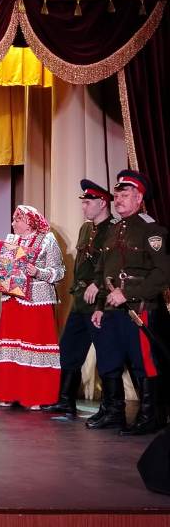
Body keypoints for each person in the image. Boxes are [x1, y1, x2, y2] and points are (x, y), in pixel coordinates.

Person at [89, 170, 170, 434]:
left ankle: (150, 417)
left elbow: (163, 274)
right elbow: (104, 272)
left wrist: (129, 293)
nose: (119, 200)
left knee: (143, 364)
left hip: (139, 310)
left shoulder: (152, 230)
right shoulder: (113, 230)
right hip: (111, 310)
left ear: (139, 198)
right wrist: (100, 307)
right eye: (117, 195)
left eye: (125, 195)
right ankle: (114, 414)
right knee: (109, 361)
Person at [41, 180, 113, 417]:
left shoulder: (114, 230)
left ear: (103, 203)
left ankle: (110, 409)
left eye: (88, 202)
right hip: (80, 300)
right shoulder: (85, 229)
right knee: (69, 351)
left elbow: (112, 266)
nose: (84, 207)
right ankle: (65, 401)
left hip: (100, 302)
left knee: (106, 356)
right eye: (83, 202)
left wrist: (98, 285)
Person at [0, 205, 65, 410]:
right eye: (14, 219)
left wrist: (38, 272)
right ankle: (9, 392)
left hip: (37, 302)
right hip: (12, 300)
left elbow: (59, 271)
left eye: (17, 220)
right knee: (11, 345)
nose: (13, 223)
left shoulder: (47, 240)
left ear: (29, 222)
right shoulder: (11, 240)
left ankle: (36, 394)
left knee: (34, 343)